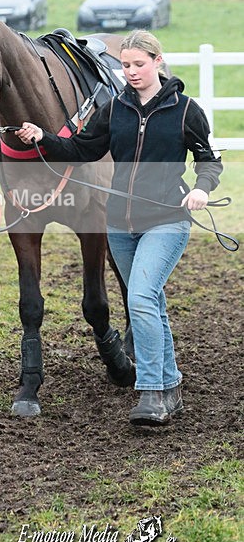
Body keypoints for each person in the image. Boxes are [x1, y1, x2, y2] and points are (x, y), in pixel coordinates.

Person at [15, 29, 223, 427]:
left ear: (158, 62)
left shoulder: (185, 111)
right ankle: (171, 385)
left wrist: (201, 188)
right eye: (125, 65)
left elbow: (208, 160)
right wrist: (43, 137)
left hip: (166, 220)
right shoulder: (113, 110)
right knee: (151, 305)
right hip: (120, 226)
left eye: (138, 65)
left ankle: (150, 392)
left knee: (141, 298)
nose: (130, 72)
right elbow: (81, 149)